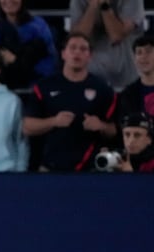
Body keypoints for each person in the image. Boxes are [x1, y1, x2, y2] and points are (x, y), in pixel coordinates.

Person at [22, 32, 118, 172]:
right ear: (63, 54)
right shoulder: (44, 87)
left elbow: (115, 131)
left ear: (90, 56)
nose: (77, 52)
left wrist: (101, 125)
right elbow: (27, 127)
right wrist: (54, 121)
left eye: (83, 49)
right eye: (72, 48)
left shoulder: (103, 89)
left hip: (91, 169)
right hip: (51, 168)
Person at [0, 0, 59, 90]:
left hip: (34, 85)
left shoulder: (38, 26)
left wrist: (16, 61)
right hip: (1, 87)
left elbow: (49, 61)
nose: (9, 1)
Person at [69, 0, 145, 90]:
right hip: (90, 82)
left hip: (127, 82)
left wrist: (104, 5)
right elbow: (80, 37)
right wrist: (93, 5)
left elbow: (116, 35)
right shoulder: (79, 1)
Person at [118, 34, 154, 119]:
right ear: (135, 59)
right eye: (139, 52)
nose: (143, 57)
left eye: (148, 51)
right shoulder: (128, 94)